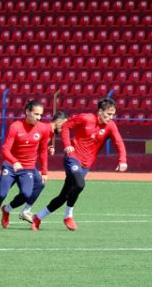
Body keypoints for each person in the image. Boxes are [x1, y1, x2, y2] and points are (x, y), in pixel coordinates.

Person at [32, 98, 127, 231]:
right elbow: (65, 126)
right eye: (108, 114)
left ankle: (38, 217)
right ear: (100, 111)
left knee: (64, 196)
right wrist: (67, 145)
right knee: (80, 184)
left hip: (86, 164)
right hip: (72, 158)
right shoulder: (86, 118)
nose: (111, 117)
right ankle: (68, 216)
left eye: (113, 115)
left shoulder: (110, 126)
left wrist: (122, 160)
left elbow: (119, 142)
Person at [0, 100, 52, 232]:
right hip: (10, 166)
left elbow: (43, 151)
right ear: (27, 112)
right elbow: (5, 149)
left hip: (28, 168)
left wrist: (44, 171)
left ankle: (7, 209)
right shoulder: (16, 126)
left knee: (26, 194)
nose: (38, 117)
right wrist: (14, 161)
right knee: (1, 194)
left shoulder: (43, 128)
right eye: (36, 114)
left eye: (40, 115)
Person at [0, 111, 68, 223]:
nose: (66, 129)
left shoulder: (50, 133)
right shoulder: (43, 128)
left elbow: (40, 148)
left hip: (29, 165)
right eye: (65, 125)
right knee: (0, 192)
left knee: (39, 184)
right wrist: (44, 169)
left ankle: (23, 211)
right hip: (17, 164)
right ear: (59, 122)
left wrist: (47, 149)